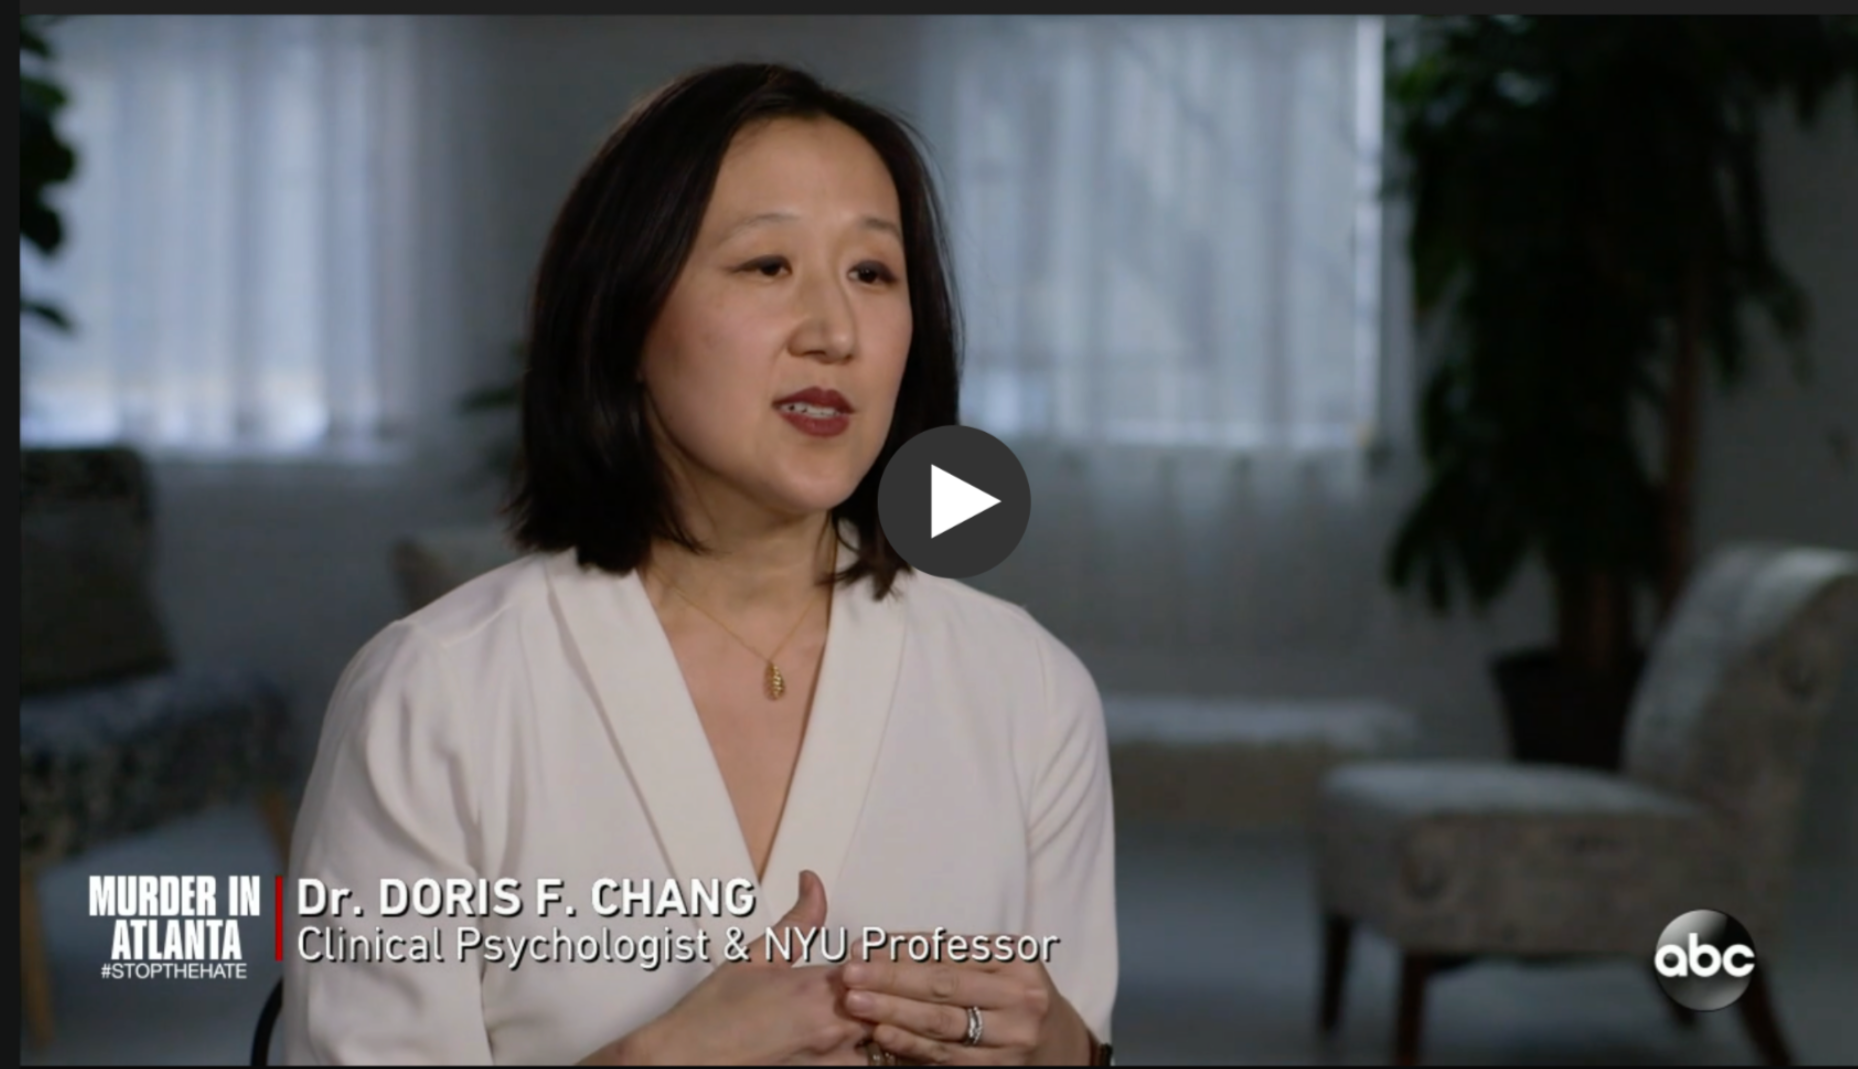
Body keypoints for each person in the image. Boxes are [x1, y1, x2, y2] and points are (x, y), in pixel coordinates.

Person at [281, 62, 1116, 1066]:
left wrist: (1056, 1045)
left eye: (872, 273)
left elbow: (1074, 1036)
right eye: (767, 266)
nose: (834, 332)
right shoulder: (435, 695)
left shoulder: (1026, 688)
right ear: (626, 316)